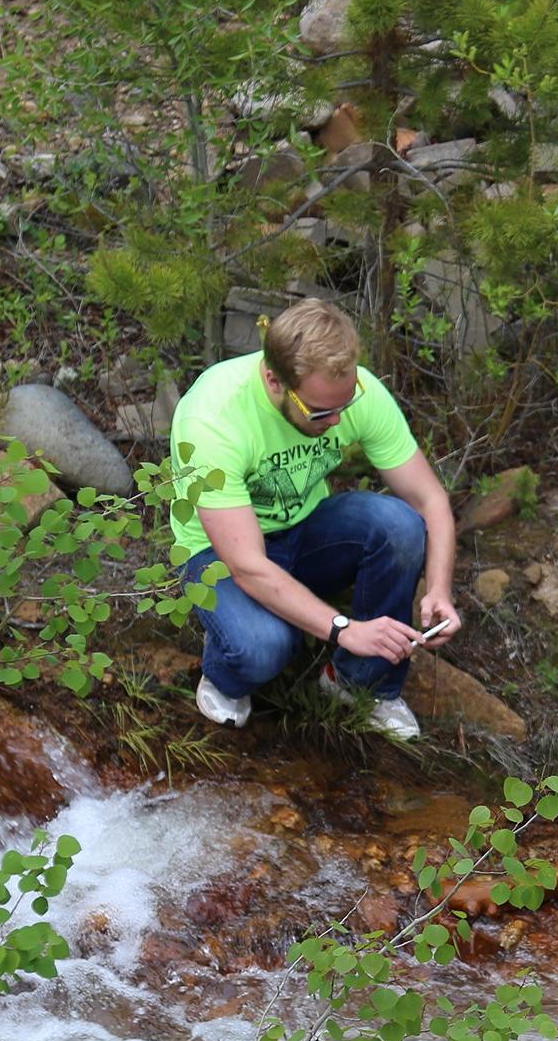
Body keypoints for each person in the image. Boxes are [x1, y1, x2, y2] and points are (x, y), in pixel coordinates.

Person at [167, 298, 461, 738]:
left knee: (398, 525)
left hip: (305, 529)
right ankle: (226, 669)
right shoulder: (213, 419)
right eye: (321, 412)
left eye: (346, 403)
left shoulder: (354, 391)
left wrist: (440, 589)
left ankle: (360, 682)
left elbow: (429, 499)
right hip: (219, 554)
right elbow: (247, 565)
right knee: (263, 647)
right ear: (274, 379)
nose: (338, 420)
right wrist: (344, 629)